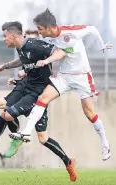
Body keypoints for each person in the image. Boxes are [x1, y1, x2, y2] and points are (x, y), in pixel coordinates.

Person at [0, 21, 77, 181]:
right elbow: (22, 61)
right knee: (0, 105)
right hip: (25, 86)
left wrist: (47, 61)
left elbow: (61, 52)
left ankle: (68, 161)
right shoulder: (21, 47)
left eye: (5, 36)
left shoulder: (36, 45)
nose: (3, 40)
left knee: (42, 138)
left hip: (38, 94)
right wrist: (3, 67)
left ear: (13, 35)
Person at [10, 9, 111, 162]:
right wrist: (26, 71)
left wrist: (101, 45)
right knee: (43, 98)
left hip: (82, 76)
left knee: (89, 113)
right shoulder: (49, 40)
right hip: (64, 77)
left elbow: (92, 29)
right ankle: (26, 131)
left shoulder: (71, 32)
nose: (40, 32)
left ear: (49, 27)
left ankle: (104, 142)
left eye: (40, 29)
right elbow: (49, 53)